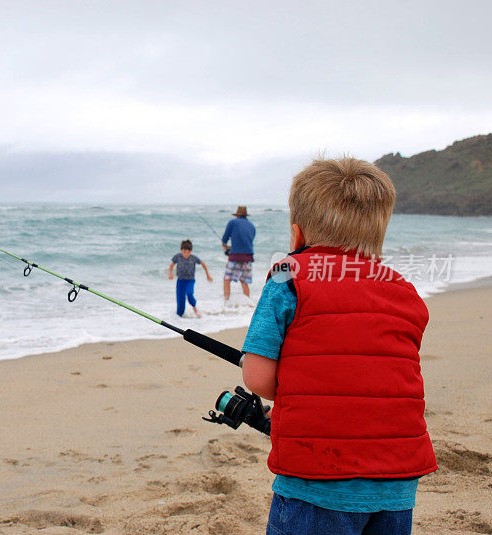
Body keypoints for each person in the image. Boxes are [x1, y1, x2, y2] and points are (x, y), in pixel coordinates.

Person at [241, 157, 436, 535]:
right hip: (398, 480)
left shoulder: (287, 272)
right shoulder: (403, 289)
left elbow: (258, 378)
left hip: (316, 479)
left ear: (296, 235)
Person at [169, 239, 213, 317]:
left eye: (188, 252)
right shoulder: (178, 256)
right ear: (181, 250)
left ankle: (195, 309)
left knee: (189, 294)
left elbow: (203, 264)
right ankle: (178, 318)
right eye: (184, 252)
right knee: (180, 301)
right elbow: (172, 264)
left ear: (191, 251)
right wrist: (170, 273)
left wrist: (208, 275)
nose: (186, 254)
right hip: (180, 281)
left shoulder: (193, 258)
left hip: (190, 281)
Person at [221, 205, 256, 301]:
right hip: (248, 258)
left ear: (237, 215)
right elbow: (247, 241)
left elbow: (224, 240)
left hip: (235, 257)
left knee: (227, 279)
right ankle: (248, 305)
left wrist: (227, 247)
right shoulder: (252, 226)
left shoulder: (232, 222)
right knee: (244, 282)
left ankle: (226, 302)